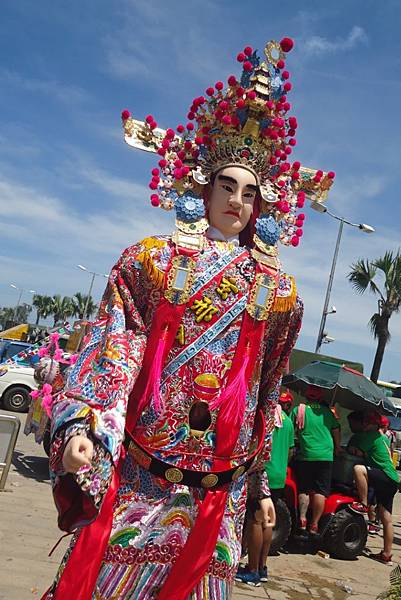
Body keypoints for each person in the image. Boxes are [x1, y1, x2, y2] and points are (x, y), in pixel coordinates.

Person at [40, 38, 334, 600]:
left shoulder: (279, 293)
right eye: (227, 185)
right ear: (203, 187)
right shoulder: (150, 261)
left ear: (263, 205)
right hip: (141, 478)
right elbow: (115, 347)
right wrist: (84, 426)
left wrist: (261, 487)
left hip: (216, 498)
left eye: (250, 192)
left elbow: (265, 390)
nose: (238, 200)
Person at [236, 399, 294, 586]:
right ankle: (262, 568)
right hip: (279, 475)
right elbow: (290, 451)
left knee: (255, 520)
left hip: (263, 473)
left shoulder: (265, 416)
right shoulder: (287, 421)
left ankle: (252, 570)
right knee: (268, 522)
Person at [348, 411, 400, 565]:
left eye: (367, 423)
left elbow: (357, 452)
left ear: (374, 425)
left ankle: (363, 504)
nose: (364, 425)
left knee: (358, 469)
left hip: (384, 475)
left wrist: (351, 448)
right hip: (392, 479)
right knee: (386, 518)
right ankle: (386, 554)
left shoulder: (372, 436)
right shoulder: (382, 437)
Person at [291, 385, 341, 535]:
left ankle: (302, 518)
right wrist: (337, 447)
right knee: (320, 491)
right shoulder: (328, 413)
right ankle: (314, 524)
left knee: (304, 489)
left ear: (306, 395)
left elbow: (291, 428)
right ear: (320, 397)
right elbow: (336, 430)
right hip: (326, 456)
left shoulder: (299, 410)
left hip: (306, 455)